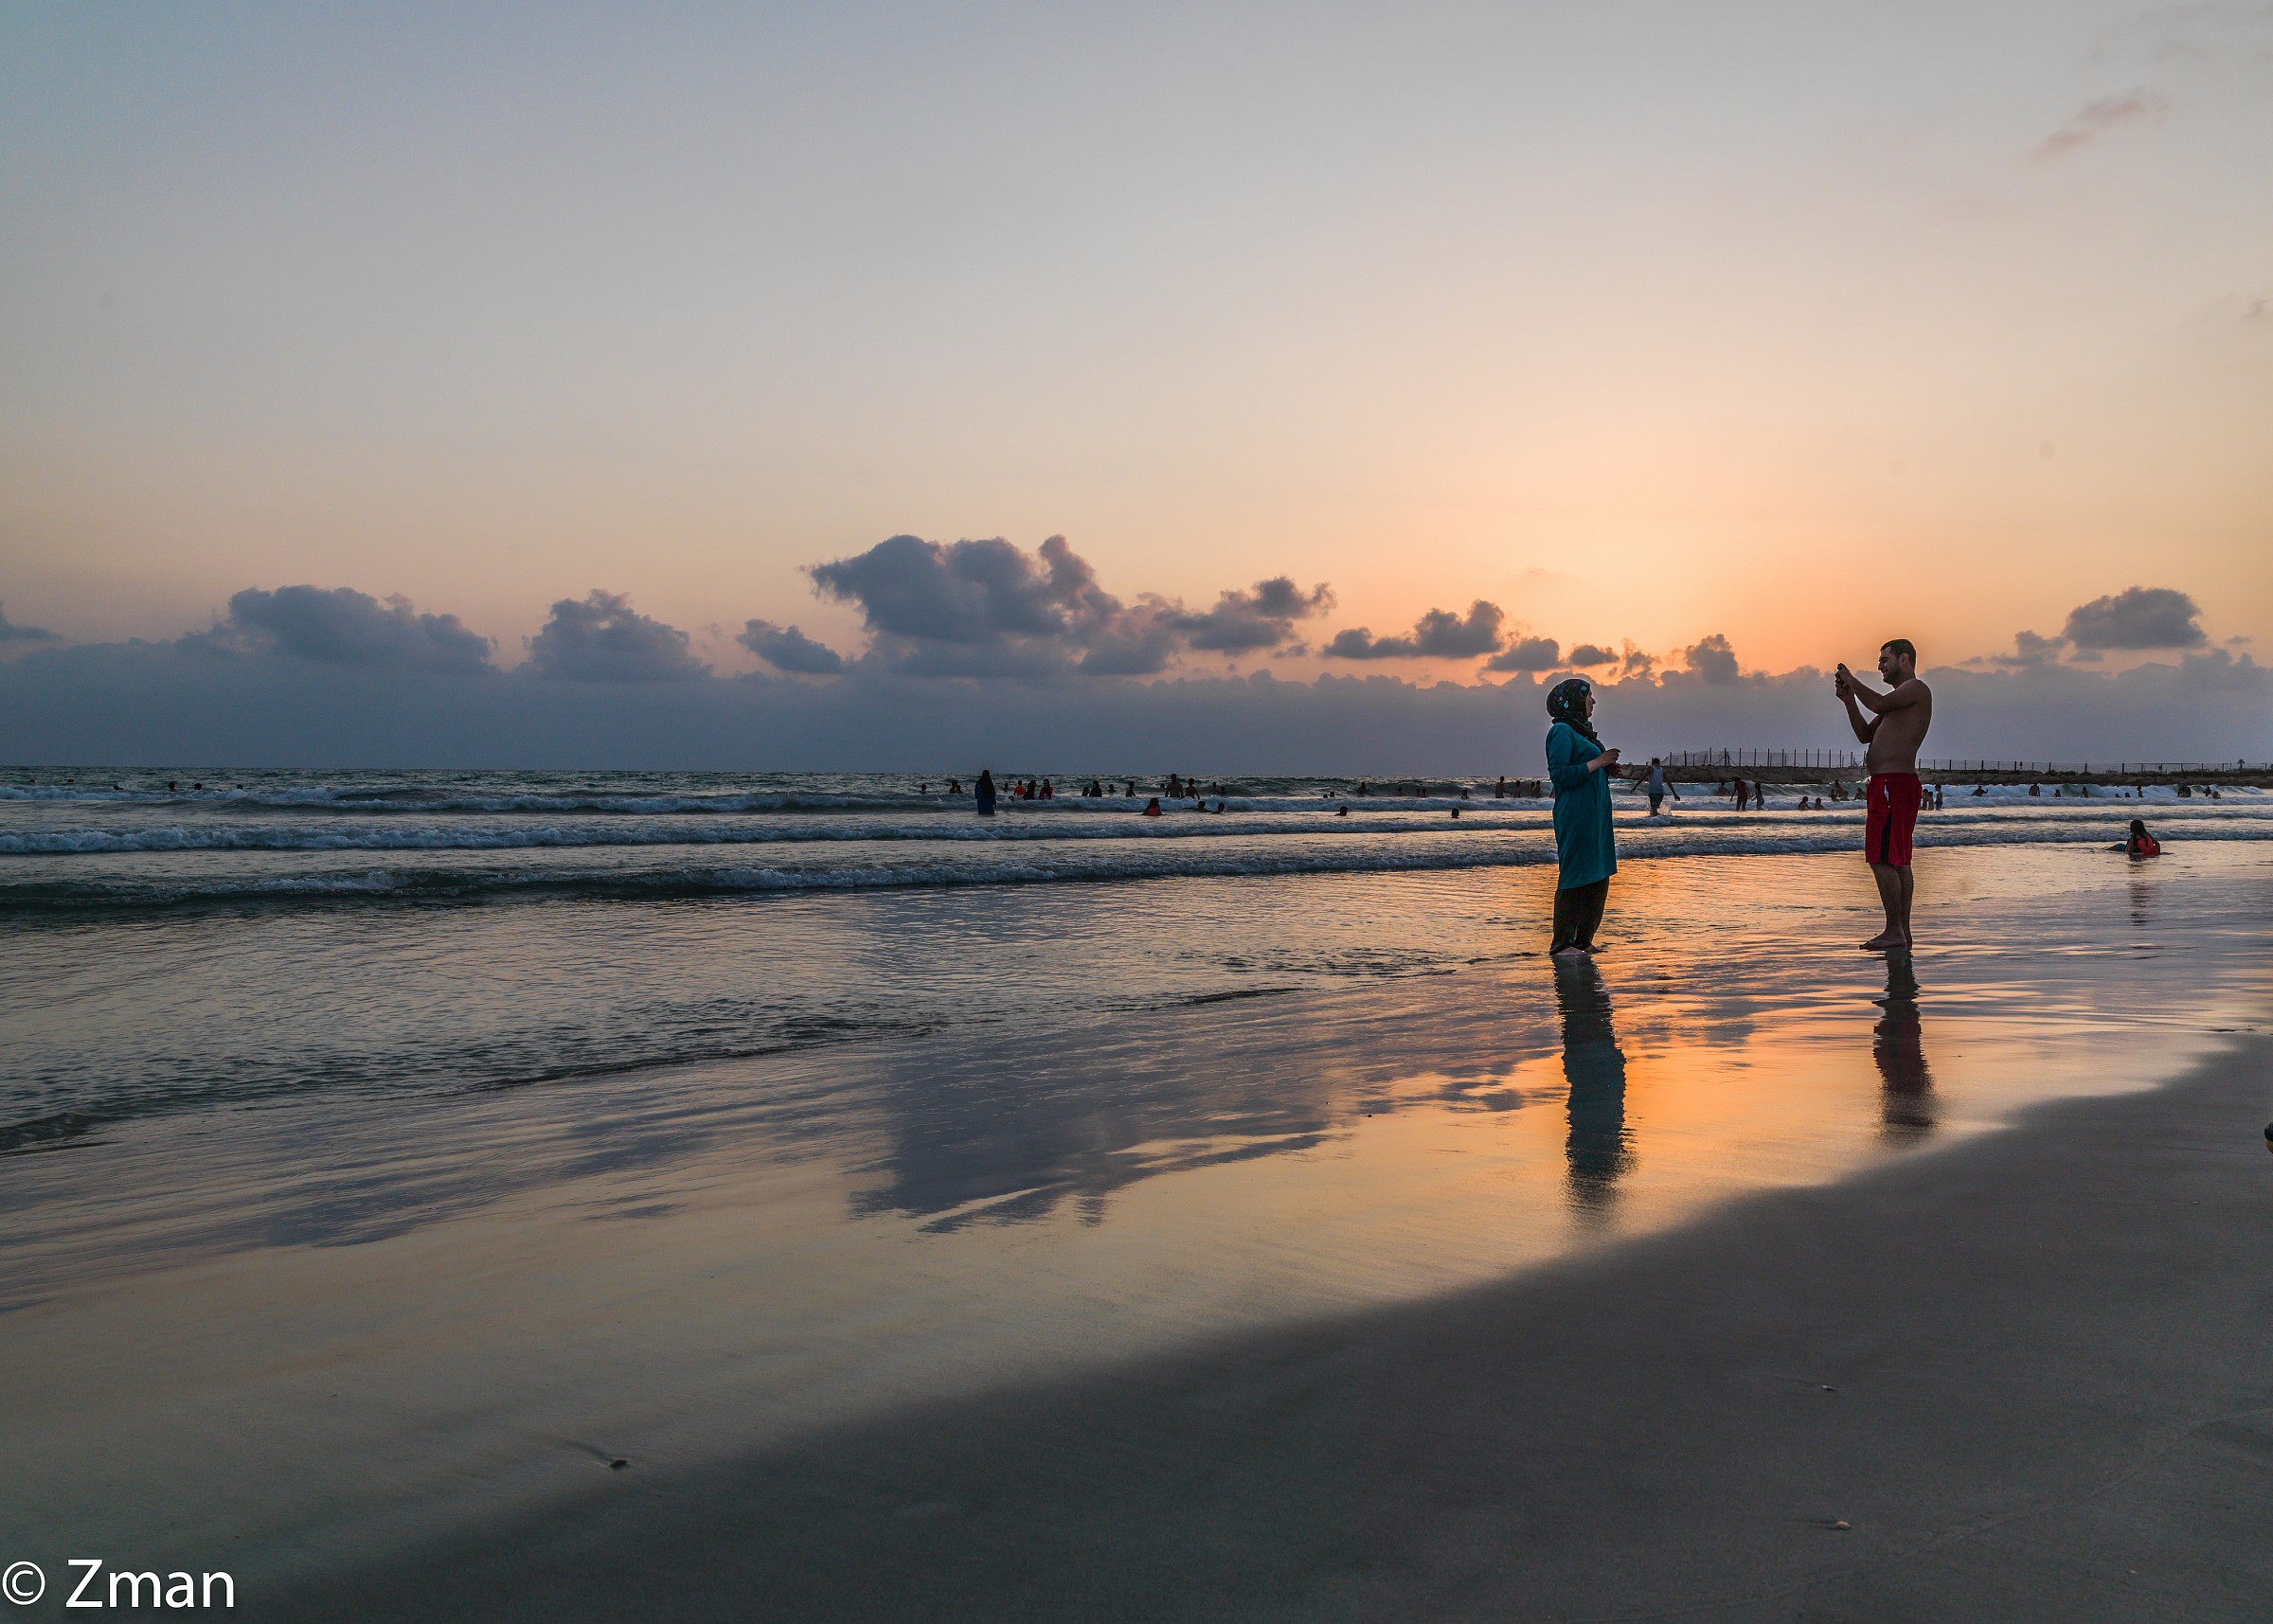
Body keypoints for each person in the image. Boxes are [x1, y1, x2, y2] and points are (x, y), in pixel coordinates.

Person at [1835, 638, 1934, 952]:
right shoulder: (1897, 701)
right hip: (1892, 784)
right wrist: (1849, 700)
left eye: (1884, 659)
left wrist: (1852, 679)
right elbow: (1866, 735)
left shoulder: (1916, 690)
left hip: (1894, 783)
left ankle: (1894, 930)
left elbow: (1876, 704)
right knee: (1898, 859)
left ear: (1904, 659)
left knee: (1882, 858)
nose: (1879, 666)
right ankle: (1901, 931)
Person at [1545, 677, 1619, 955]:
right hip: (1576, 816)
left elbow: (1584, 768)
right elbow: (1560, 776)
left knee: (1600, 873)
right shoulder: (1561, 731)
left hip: (1596, 817)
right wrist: (1599, 761)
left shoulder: (1584, 734)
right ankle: (1562, 943)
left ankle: (1583, 941)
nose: (1593, 702)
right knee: (1576, 874)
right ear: (1574, 700)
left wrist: (1606, 769)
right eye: (1589, 696)